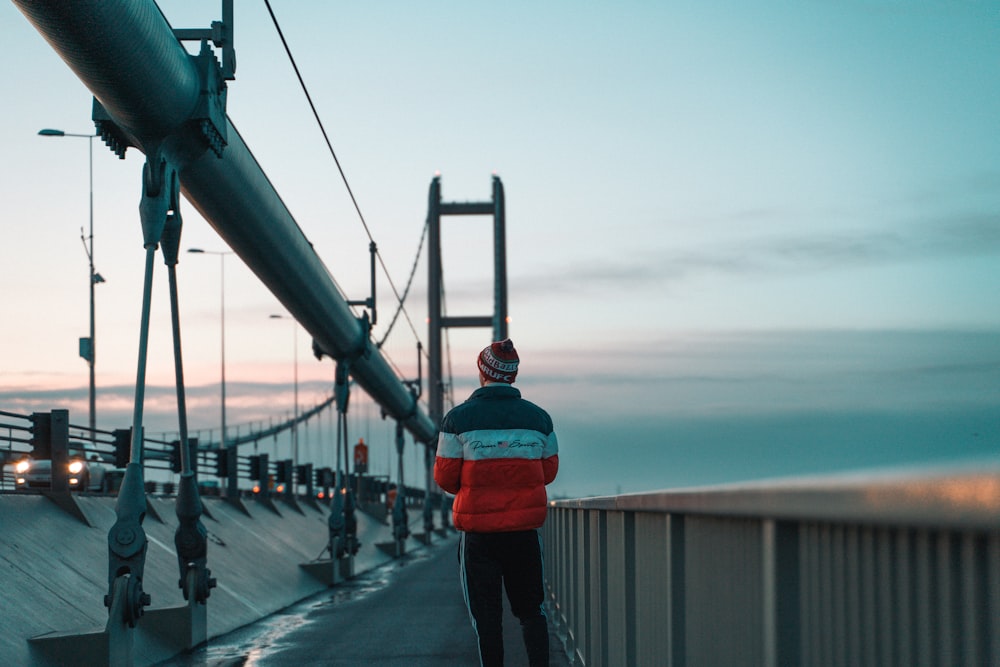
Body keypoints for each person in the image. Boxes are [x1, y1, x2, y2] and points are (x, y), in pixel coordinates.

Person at [434, 338, 559, 667]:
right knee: (532, 611)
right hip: (523, 533)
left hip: (480, 536)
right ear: (513, 376)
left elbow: (445, 480)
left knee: (486, 620)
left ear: (482, 371)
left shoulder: (456, 421)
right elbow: (548, 472)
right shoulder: (540, 420)